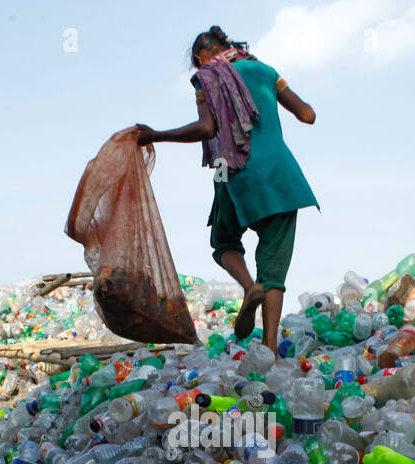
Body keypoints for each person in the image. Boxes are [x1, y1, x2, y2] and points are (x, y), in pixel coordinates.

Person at [136, 26, 318, 353]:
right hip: (283, 176)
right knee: (274, 269)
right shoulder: (264, 70)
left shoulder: (207, 77)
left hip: (230, 170)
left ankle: (249, 286)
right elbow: (308, 114)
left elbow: (207, 128)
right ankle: (271, 348)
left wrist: (156, 135)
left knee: (223, 241)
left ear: (199, 58)